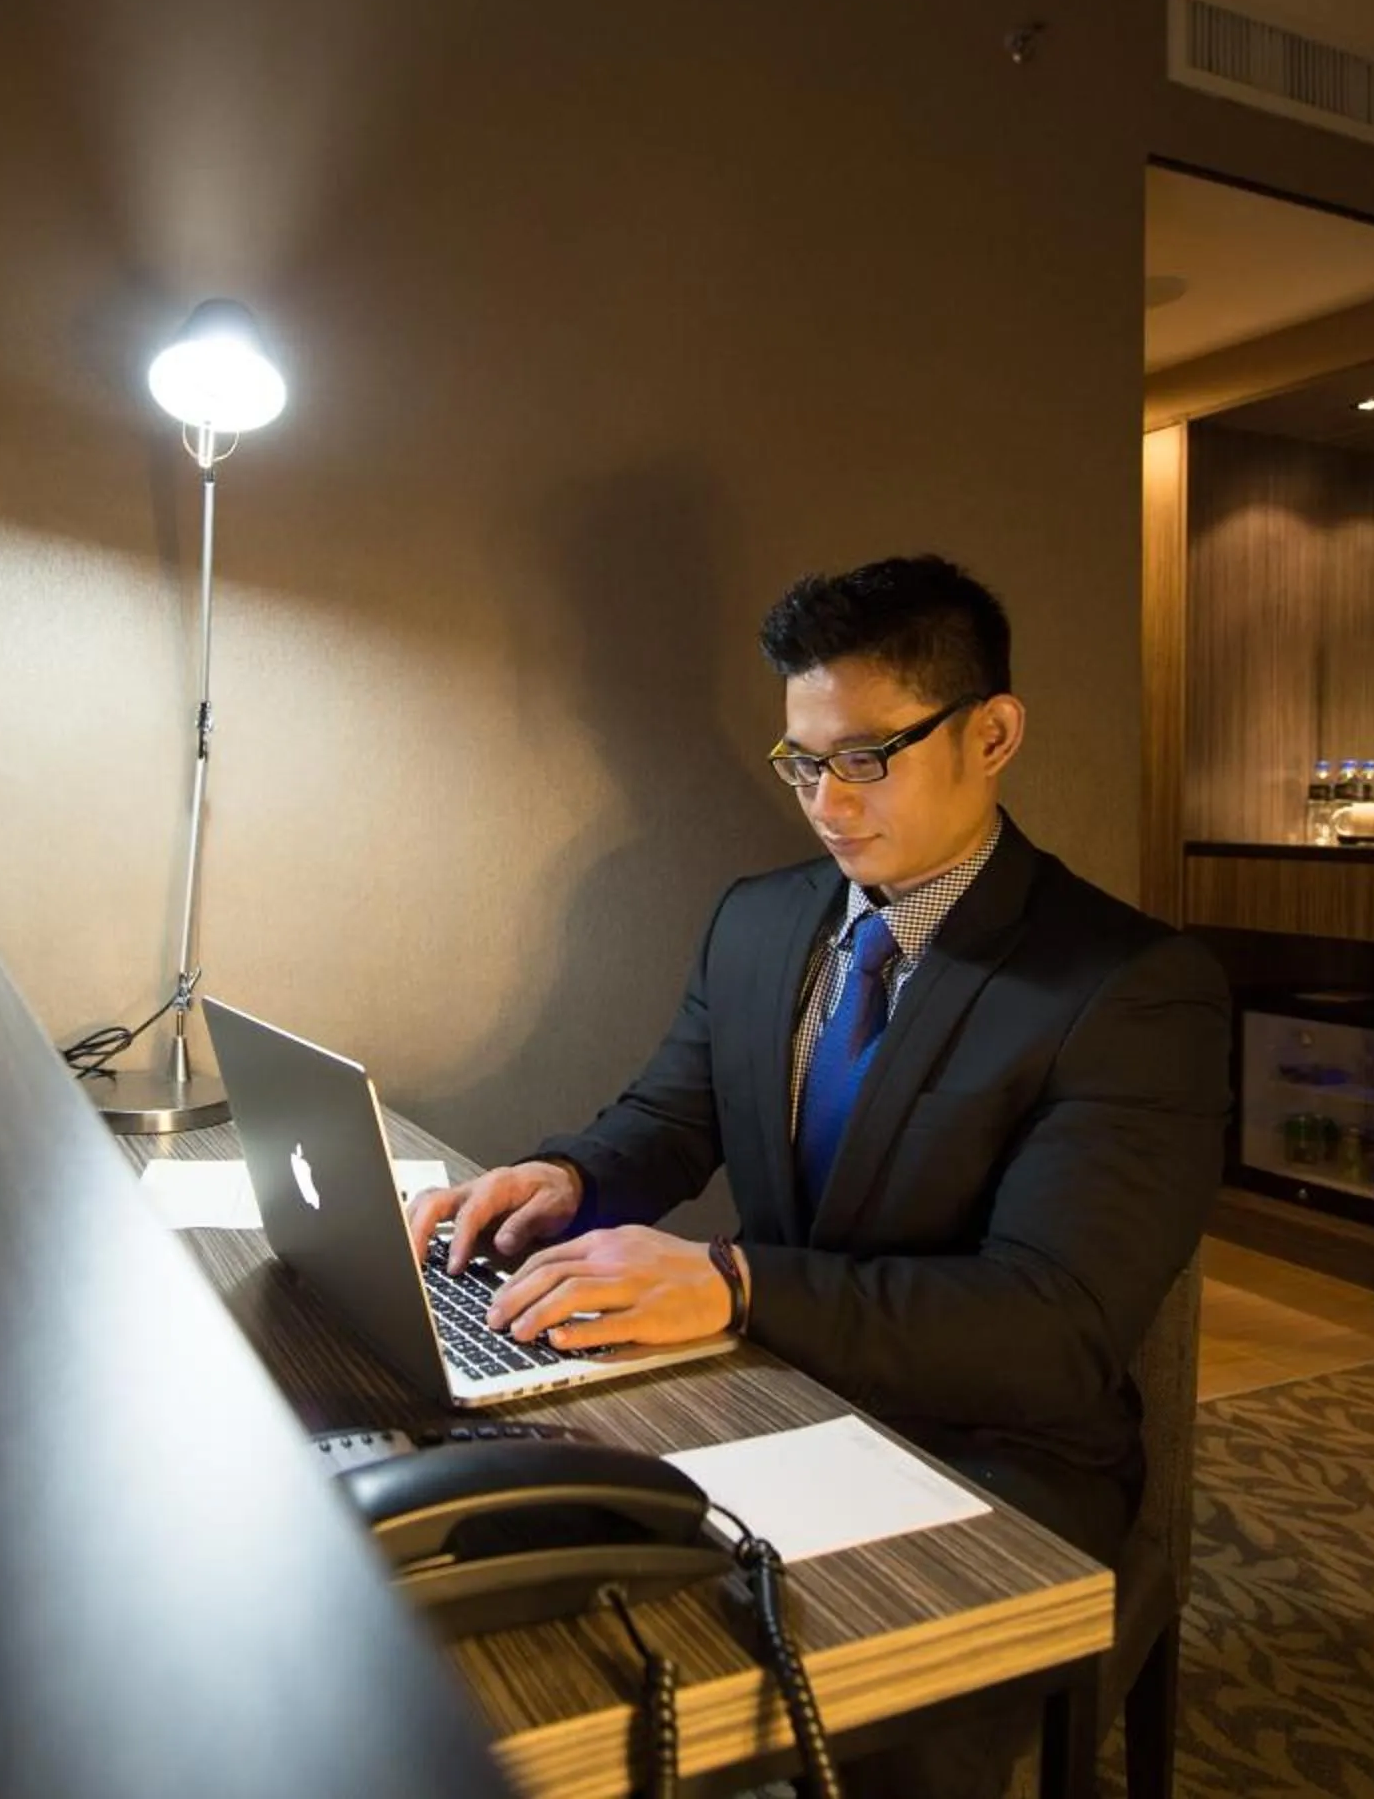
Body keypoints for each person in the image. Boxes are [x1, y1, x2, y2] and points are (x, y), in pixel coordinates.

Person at [403, 554, 1229, 1793]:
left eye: (868, 756)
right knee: (536, 1616)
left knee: (875, 1729)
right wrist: (566, 1177)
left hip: (996, 1447)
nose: (828, 803)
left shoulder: (1127, 987)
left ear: (993, 733)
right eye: (804, 760)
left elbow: (1054, 1328)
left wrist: (736, 1284)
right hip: (770, 1386)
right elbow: (670, 1119)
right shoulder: (762, 918)